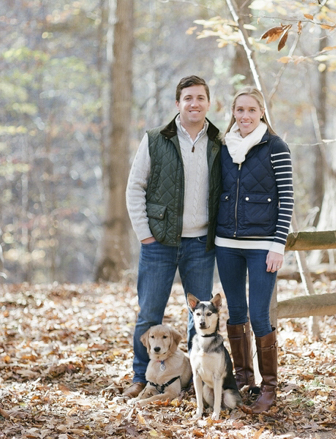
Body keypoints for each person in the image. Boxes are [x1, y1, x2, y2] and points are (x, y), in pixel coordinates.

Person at [123, 75, 222, 398]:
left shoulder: (219, 141)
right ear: (178, 103)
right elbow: (135, 187)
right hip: (159, 243)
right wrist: (145, 234)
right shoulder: (155, 139)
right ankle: (142, 378)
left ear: (209, 103)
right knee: (149, 314)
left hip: (201, 243)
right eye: (188, 98)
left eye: (200, 98)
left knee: (199, 317)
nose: (194, 103)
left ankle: (193, 379)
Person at [215, 86, 294, 413]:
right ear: (233, 113)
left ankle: (269, 389)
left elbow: (287, 198)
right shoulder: (223, 146)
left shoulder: (275, 146)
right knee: (236, 313)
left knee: (260, 315)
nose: (245, 116)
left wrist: (278, 245)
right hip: (226, 245)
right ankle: (244, 380)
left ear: (261, 112)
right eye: (239, 110)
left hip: (263, 246)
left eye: (251, 110)